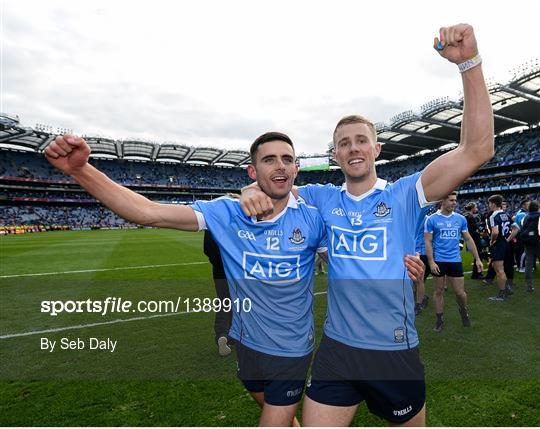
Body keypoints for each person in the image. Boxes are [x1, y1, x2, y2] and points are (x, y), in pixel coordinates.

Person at [240, 24, 494, 426]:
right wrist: (247, 189)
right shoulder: (322, 198)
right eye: (344, 143)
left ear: (376, 149)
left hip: (393, 351)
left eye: (361, 140)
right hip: (337, 350)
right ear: (336, 155)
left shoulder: (406, 194)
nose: (353, 147)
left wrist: (469, 65)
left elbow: (477, 149)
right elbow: (273, 185)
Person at [45, 131, 333, 426]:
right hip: (246, 342)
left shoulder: (313, 219)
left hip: (291, 349)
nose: (280, 166)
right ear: (252, 171)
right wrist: (80, 169)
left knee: (274, 418)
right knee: (279, 413)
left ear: (296, 168)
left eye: (287, 159)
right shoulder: (227, 212)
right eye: (269, 159)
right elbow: (148, 212)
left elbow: (346, 267)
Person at [424, 192, 483, 332]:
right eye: (451, 200)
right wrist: (431, 262)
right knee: (438, 291)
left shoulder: (460, 219)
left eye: (455, 200)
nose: (454, 203)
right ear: (442, 201)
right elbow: (428, 241)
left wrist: (478, 259)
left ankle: (463, 310)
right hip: (439, 261)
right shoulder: (432, 219)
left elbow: (468, 239)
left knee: (460, 293)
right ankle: (439, 320)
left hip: (455, 261)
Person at [203, 229, 232, 356]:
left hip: (220, 271)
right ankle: (242, 334)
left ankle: (222, 334)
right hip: (238, 269)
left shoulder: (213, 217)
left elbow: (207, 248)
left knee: (224, 302)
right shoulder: (240, 216)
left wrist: (217, 262)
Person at [487, 194, 513, 301]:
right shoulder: (505, 214)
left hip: (498, 244)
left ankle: (503, 294)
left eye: (489, 203)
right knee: (494, 265)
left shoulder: (493, 216)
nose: (488, 205)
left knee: (499, 270)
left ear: (493, 204)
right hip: (505, 243)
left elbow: (495, 232)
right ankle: (507, 287)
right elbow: (513, 228)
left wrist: (492, 240)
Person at [519, 200, 539, 292]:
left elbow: (522, 229)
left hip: (528, 244)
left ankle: (529, 286)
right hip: (538, 242)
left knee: (528, 265)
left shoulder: (525, 217)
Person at [464, 202, 485, 279]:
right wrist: (481, 233)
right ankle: (476, 274)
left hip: (470, 238)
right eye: (476, 207)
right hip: (474, 239)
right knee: (479, 256)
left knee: (478, 255)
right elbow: (474, 229)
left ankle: (476, 273)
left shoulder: (466, 216)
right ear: (472, 208)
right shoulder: (470, 217)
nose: (477, 209)